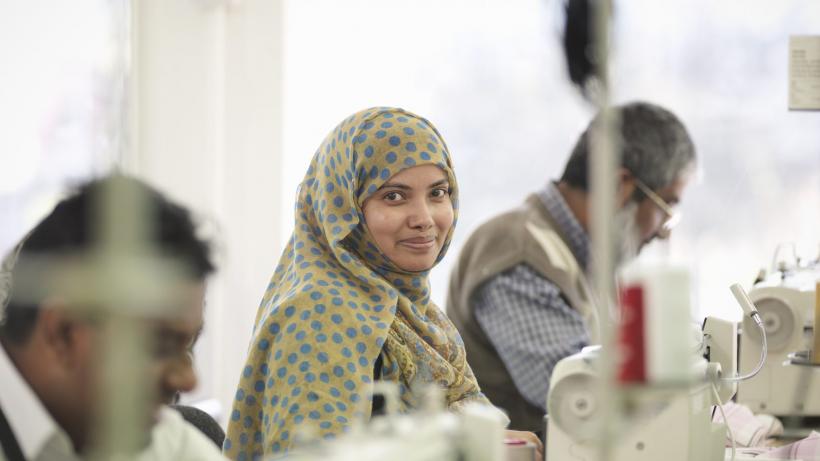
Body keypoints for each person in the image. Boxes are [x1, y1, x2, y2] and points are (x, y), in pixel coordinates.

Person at [224, 107, 542, 460]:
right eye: (394, 196)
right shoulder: (323, 315)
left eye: (438, 193)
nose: (424, 219)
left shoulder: (405, 308)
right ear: (345, 210)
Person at [447, 101, 698, 433]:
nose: (664, 229)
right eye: (666, 206)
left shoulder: (585, 258)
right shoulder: (518, 251)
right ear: (619, 186)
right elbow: (585, 399)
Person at [0, 175, 226, 460]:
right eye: (162, 345)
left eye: (188, 346)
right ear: (63, 333)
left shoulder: (161, 442)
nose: (189, 379)